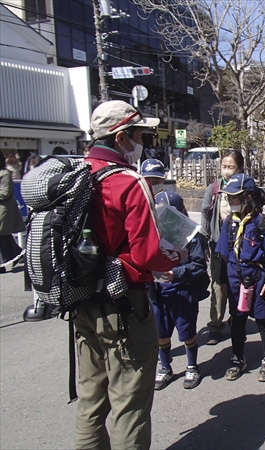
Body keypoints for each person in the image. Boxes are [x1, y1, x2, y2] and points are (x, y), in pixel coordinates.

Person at [75, 100, 188, 450]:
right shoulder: (127, 180)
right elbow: (146, 253)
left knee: (91, 399)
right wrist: (177, 255)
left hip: (79, 297)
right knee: (129, 404)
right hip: (123, 302)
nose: (144, 140)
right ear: (121, 137)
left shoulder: (78, 172)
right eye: (139, 134)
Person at [141, 176, 209, 391]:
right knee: (161, 333)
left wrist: (176, 273)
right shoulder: (151, 236)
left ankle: (192, 366)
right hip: (158, 293)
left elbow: (199, 266)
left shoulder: (193, 236)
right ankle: (165, 367)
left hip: (183, 292)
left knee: (187, 331)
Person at [215, 174, 265, 381]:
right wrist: (223, 283)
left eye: (234, 197)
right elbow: (222, 256)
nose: (230, 202)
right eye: (229, 198)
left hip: (258, 278)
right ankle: (238, 357)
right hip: (235, 277)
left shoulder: (263, 223)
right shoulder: (228, 223)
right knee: (237, 320)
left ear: (248, 197)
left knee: (262, 319)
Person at [200, 150, 245, 345]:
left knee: (236, 283)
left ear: (240, 168)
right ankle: (215, 325)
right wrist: (204, 240)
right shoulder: (215, 188)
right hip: (218, 243)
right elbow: (204, 212)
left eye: (231, 167)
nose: (227, 171)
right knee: (218, 286)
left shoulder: (245, 187)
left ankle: (236, 319)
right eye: (224, 166)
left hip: (240, 244)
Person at [0, 152, 25, 273]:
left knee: (2, 236)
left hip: (3, 210)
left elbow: (5, 192)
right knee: (4, 237)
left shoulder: (5, 174)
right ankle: (18, 254)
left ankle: (3, 263)